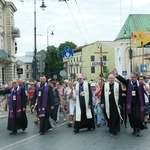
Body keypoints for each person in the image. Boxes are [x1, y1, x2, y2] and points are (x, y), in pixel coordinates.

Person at [114, 68, 145, 136]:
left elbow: (142, 94)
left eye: (133, 77)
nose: (131, 78)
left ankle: (138, 129)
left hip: (137, 102)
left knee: (137, 116)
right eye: (131, 77)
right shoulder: (128, 83)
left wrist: (143, 104)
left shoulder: (140, 84)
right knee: (131, 116)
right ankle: (134, 128)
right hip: (130, 102)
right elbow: (122, 80)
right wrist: (117, 74)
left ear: (136, 77)